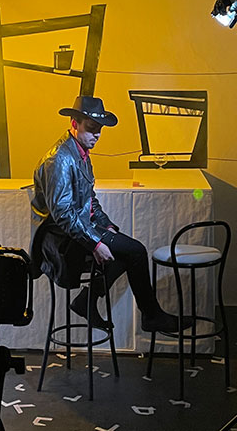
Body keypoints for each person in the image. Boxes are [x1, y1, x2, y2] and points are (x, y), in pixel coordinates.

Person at [30, 95, 192, 333]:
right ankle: (149, 315)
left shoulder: (80, 153)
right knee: (135, 251)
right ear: (74, 123)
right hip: (61, 241)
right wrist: (95, 243)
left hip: (76, 231)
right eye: (91, 129)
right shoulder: (60, 160)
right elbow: (63, 214)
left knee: (129, 253)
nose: (96, 135)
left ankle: (91, 301)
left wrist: (106, 226)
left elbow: (90, 200)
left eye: (99, 130)